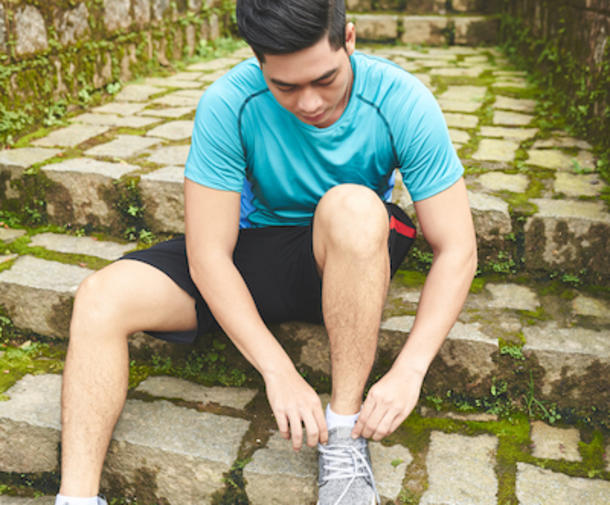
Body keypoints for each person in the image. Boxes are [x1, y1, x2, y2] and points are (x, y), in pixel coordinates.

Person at [55, 0, 477, 504]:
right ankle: (76, 497)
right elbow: (210, 254)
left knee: (355, 207)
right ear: (259, 64)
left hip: (349, 253)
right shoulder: (228, 103)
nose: (310, 103)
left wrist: (410, 369)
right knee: (100, 296)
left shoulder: (402, 99)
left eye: (324, 79)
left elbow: (456, 247)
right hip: (259, 256)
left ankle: (344, 434)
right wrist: (278, 371)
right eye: (286, 87)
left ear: (351, 40)